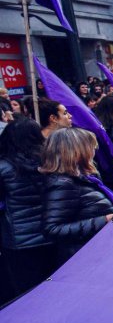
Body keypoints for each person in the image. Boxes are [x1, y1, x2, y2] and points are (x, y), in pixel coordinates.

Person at [41, 127, 113, 265]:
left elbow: (100, 209)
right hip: (87, 259)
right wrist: (102, 221)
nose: (94, 151)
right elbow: (52, 229)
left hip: (102, 251)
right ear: (76, 151)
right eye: (90, 147)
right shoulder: (63, 184)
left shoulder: (86, 178)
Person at [0, 118, 58, 298]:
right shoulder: (52, 162)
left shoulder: (3, 167)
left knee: (28, 295)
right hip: (55, 234)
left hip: (20, 241)